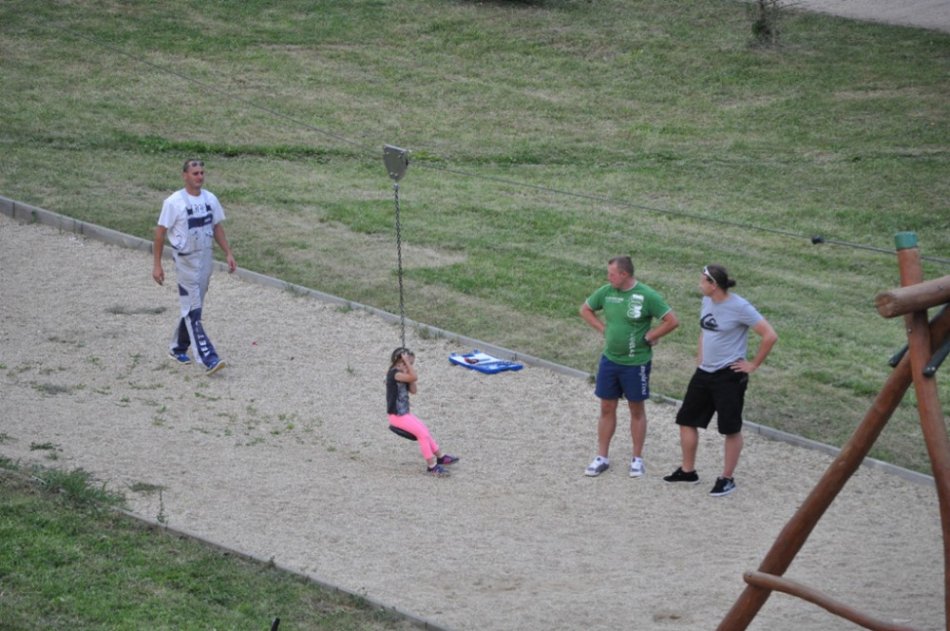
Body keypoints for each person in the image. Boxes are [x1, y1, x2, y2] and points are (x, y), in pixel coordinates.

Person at [664, 264, 778, 497]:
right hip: (704, 372)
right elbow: (705, 330)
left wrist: (753, 364)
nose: (699, 285)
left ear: (713, 285)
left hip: (728, 375)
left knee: (730, 428)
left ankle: (727, 478)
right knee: (686, 420)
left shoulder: (740, 307)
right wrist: (700, 358)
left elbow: (770, 335)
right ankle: (688, 471)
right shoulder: (707, 301)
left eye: (702, 281)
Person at [580, 256, 679, 478]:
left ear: (624, 274)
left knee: (636, 409)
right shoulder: (606, 292)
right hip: (610, 361)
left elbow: (672, 320)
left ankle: (637, 458)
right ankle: (602, 457)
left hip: (636, 364)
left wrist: (652, 335)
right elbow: (585, 309)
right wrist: (603, 329)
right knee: (606, 407)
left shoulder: (647, 295)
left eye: (612, 274)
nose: (608, 278)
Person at [152, 159, 236, 375]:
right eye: (195, 173)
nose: (199, 177)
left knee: (192, 307)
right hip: (185, 262)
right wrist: (157, 265)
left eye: (201, 173)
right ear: (185, 176)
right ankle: (208, 358)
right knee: (193, 309)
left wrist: (228, 252)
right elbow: (160, 234)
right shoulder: (173, 202)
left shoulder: (210, 199)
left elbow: (216, 227)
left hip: (205, 259)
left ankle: (177, 347)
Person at [386, 347, 458, 477]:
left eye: (412, 364)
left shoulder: (403, 375)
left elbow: (414, 390)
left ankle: (440, 457)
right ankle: (432, 466)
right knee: (422, 435)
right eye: (409, 363)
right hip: (396, 416)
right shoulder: (394, 374)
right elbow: (415, 376)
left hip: (404, 414)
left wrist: (408, 371)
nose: (410, 366)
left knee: (425, 430)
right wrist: (408, 368)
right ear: (399, 362)